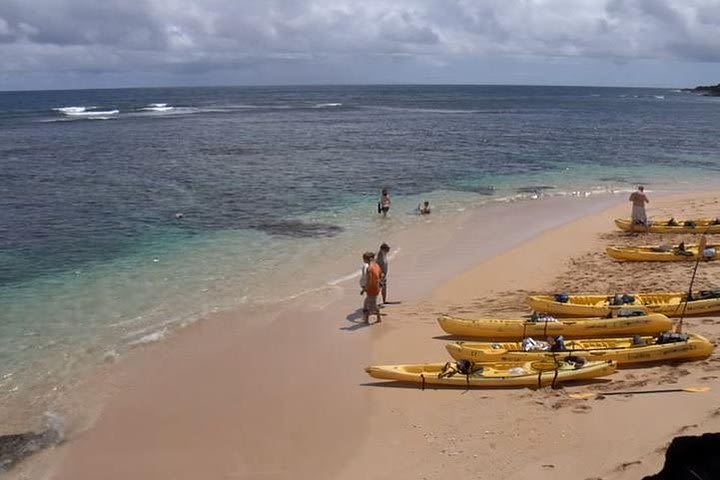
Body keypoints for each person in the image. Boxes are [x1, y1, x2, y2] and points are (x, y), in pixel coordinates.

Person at [359, 252, 382, 323]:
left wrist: (364, 289)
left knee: (371, 305)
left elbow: (369, 280)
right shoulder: (377, 265)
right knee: (372, 303)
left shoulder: (369, 269)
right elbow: (381, 275)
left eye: (364, 259)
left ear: (366, 259)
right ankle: (374, 319)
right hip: (376, 287)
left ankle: (373, 319)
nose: (363, 260)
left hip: (371, 288)